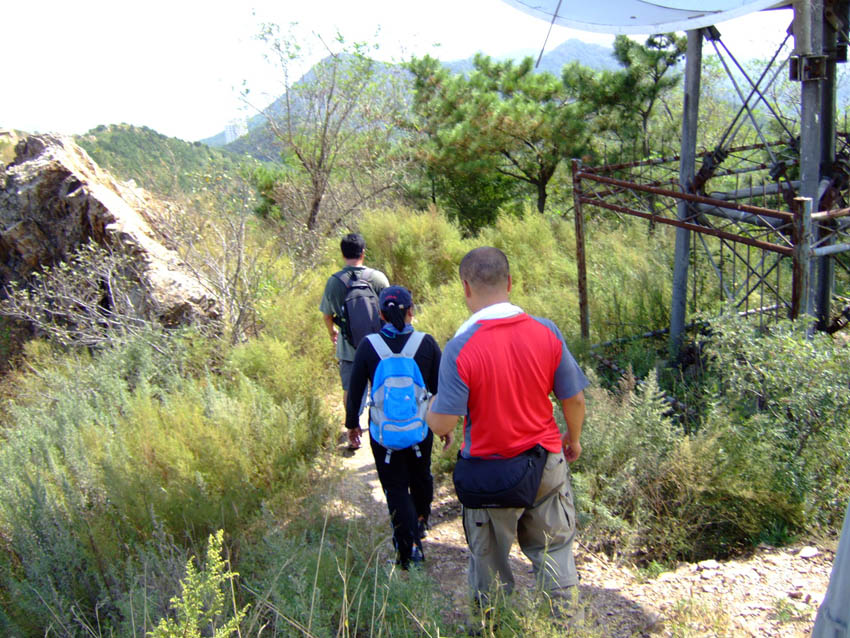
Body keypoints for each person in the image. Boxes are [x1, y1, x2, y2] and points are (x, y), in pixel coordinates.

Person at [426, 246, 588, 618]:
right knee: (555, 551)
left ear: (466, 287)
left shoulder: (459, 347)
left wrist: (430, 407)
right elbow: (575, 398)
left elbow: (444, 423)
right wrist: (573, 438)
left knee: (489, 564)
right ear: (510, 282)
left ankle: (493, 625)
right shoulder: (546, 331)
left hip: (490, 474)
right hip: (545, 462)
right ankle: (564, 624)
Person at [346, 285, 443, 569]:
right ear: (411, 311)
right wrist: (444, 427)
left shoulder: (368, 346)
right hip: (420, 430)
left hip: (383, 433)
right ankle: (421, 520)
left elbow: (355, 390)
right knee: (421, 476)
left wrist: (352, 424)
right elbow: (438, 390)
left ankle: (409, 549)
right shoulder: (426, 343)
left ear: (381, 314)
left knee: (396, 487)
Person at [320, 232, 389, 448]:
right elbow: (389, 313)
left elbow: (327, 315)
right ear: (363, 253)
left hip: (349, 348)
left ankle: (353, 430)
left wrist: (332, 332)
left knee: (351, 389)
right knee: (380, 387)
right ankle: (384, 429)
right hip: (378, 347)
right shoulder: (378, 279)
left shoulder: (334, 282)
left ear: (343, 254)